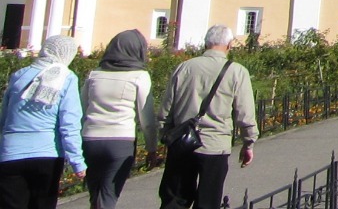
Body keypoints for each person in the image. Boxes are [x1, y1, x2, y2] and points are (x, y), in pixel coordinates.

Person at [158, 25, 257, 209]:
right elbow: (245, 113)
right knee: (208, 202)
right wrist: (248, 143)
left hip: (182, 143)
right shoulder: (236, 71)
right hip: (215, 146)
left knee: (174, 200)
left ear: (206, 43)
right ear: (229, 46)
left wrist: (165, 135)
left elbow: (166, 109)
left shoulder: (184, 67)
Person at [0, 35, 87, 209]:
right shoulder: (67, 78)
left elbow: (5, 116)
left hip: (10, 153)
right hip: (48, 155)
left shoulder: (19, 75)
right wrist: (77, 161)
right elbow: (69, 123)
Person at [82, 29, 157, 209]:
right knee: (108, 195)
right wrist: (151, 147)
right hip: (120, 141)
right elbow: (146, 119)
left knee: (95, 194)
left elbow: (82, 109)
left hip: (90, 139)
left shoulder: (94, 75)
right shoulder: (139, 76)